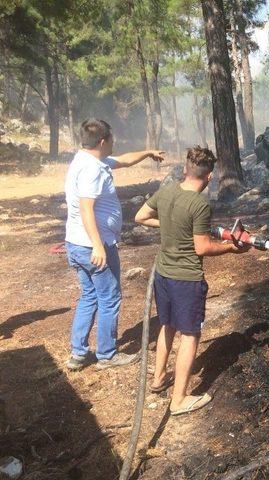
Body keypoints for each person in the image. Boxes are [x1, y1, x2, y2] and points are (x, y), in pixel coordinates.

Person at [135, 146, 249, 416]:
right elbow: (202, 248)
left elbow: (140, 216)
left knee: (167, 325)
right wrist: (231, 248)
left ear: (185, 169)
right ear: (209, 177)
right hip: (186, 280)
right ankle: (179, 401)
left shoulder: (167, 191)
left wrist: (170, 225)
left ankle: (159, 377)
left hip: (163, 275)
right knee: (190, 335)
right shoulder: (199, 205)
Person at [65, 118, 164, 370]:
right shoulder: (92, 170)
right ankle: (107, 355)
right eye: (111, 140)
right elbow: (87, 209)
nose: (113, 144)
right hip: (93, 246)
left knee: (89, 295)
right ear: (102, 141)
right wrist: (98, 246)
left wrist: (148, 152)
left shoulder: (87, 159)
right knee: (109, 298)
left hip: (76, 243)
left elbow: (124, 159)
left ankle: (78, 353)